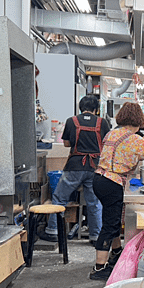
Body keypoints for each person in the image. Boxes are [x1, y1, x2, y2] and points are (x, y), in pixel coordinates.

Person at [90, 102, 144, 280]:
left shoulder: (112, 133)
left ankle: (116, 252)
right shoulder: (133, 138)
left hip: (99, 179)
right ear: (139, 121)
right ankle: (99, 268)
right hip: (112, 182)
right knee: (110, 224)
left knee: (113, 219)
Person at [40, 95, 110, 244]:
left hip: (74, 166)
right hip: (95, 167)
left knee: (60, 198)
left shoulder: (72, 121)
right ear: (96, 109)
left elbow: (66, 144)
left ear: (80, 107)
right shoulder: (102, 123)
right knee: (94, 202)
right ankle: (95, 236)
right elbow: (107, 144)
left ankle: (53, 231)